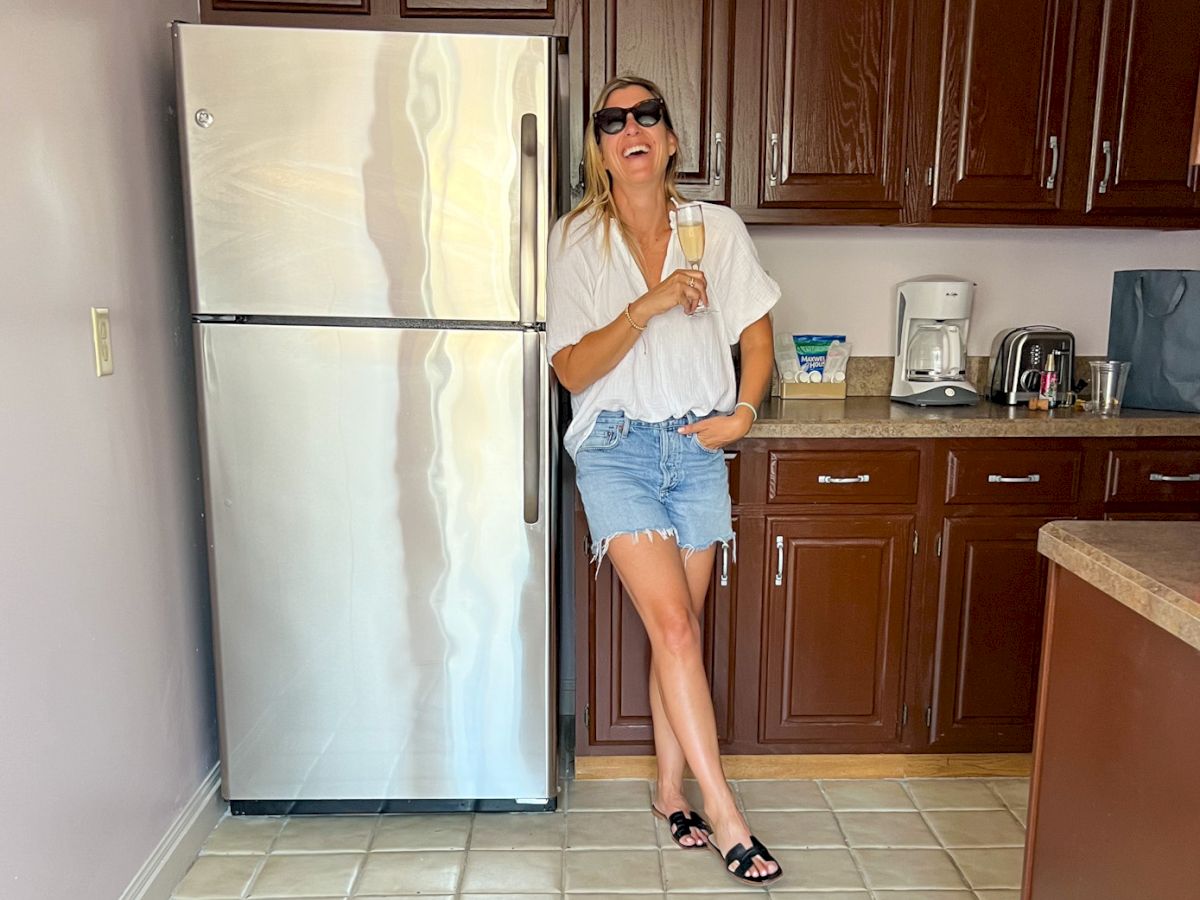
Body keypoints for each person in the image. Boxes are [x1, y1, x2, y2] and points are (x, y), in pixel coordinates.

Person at [546, 75, 782, 885]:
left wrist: (744, 414)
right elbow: (572, 367)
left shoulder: (713, 229)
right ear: (601, 150)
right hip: (615, 447)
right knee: (677, 631)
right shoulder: (577, 239)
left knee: (675, 627)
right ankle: (725, 814)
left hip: (696, 447)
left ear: (670, 140)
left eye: (647, 114)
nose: (630, 127)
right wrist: (647, 306)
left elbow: (757, 337)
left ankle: (668, 787)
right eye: (612, 120)